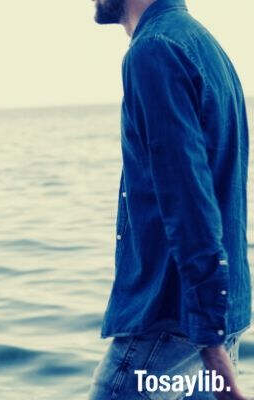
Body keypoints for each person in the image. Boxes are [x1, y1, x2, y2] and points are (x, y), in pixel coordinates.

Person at [88, 0, 251, 399]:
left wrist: (210, 347)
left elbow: (188, 201)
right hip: (211, 313)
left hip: (177, 321)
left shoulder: (155, 50)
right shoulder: (200, 44)